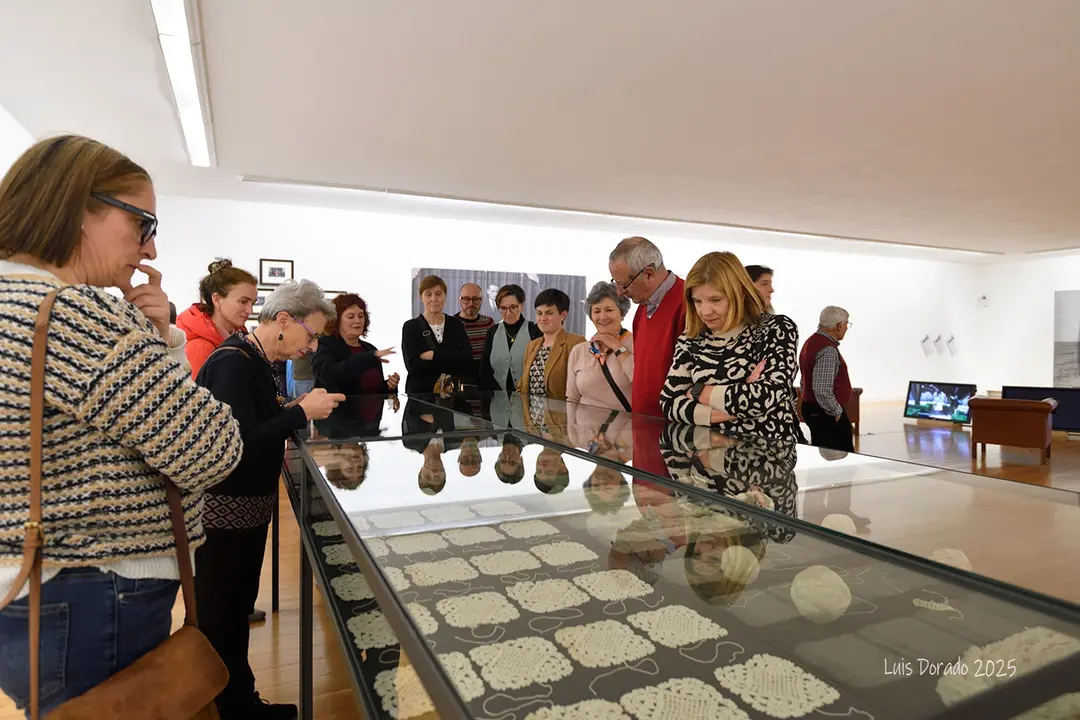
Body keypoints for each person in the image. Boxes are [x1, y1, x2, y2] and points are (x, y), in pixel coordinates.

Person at [0, 134, 244, 714]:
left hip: (39, 582)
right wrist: (159, 346)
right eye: (143, 224)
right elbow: (212, 447)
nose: (151, 250)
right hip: (95, 585)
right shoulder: (69, 312)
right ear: (79, 208)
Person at [195, 279, 344, 719]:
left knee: (234, 613)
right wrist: (300, 412)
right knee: (221, 617)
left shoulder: (256, 360)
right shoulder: (234, 363)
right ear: (283, 320)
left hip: (245, 511)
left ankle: (240, 702)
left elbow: (257, 421)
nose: (313, 346)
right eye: (311, 334)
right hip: (225, 516)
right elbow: (238, 442)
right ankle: (228, 707)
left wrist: (293, 408)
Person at [661, 251, 801, 443]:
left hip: (766, 462)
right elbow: (668, 403)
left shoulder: (775, 329)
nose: (705, 311)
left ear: (739, 294)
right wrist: (737, 405)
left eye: (715, 300)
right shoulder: (691, 339)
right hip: (706, 464)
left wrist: (697, 391)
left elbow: (764, 396)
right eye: (697, 301)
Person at [607, 236, 685, 418]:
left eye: (623, 284)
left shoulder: (687, 304)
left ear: (648, 274)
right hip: (644, 426)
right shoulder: (642, 309)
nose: (620, 292)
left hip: (670, 430)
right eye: (615, 283)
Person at [517, 289, 587, 429]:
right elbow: (523, 385)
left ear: (563, 314)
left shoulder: (576, 343)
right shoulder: (532, 346)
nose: (543, 318)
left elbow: (582, 391)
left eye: (549, 313)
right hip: (534, 426)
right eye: (539, 313)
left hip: (563, 426)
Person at [176, 259, 258, 377]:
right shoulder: (199, 348)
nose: (250, 311)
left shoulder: (242, 339)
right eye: (243, 301)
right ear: (217, 299)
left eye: (252, 303)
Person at [311, 293, 399, 395]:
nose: (357, 321)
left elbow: (373, 390)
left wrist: (388, 386)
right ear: (337, 320)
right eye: (351, 316)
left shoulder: (370, 349)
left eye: (361, 316)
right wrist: (368, 358)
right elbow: (330, 376)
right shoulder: (326, 345)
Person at [566, 281, 634, 411]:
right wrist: (571, 431)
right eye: (596, 311)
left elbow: (642, 384)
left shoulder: (637, 344)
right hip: (584, 429)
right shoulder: (579, 351)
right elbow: (572, 399)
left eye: (609, 310)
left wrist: (617, 347)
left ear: (622, 313)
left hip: (624, 429)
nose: (602, 317)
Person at [401, 275, 473, 393]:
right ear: (421, 298)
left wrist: (435, 356)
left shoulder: (456, 324)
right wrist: (451, 360)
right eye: (428, 294)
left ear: (445, 297)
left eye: (438, 294)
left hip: (450, 398)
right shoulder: (411, 327)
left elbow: (466, 360)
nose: (434, 299)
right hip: (420, 397)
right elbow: (414, 367)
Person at [799, 306, 855, 452]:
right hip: (825, 414)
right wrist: (836, 411)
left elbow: (804, 381)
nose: (846, 328)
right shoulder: (827, 349)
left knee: (823, 456)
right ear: (839, 325)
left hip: (814, 410)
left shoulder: (811, 342)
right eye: (846, 324)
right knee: (840, 457)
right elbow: (822, 390)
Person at [480, 284, 541, 393]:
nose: (508, 313)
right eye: (503, 308)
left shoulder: (534, 331)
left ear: (521, 306)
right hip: (497, 401)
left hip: (526, 401)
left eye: (513, 307)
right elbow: (485, 371)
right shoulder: (492, 332)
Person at [455, 282, 495, 381]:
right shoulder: (452, 324)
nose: (471, 303)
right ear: (459, 300)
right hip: (460, 382)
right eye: (466, 299)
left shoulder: (489, 323)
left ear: (481, 300)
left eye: (475, 299)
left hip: (485, 383)